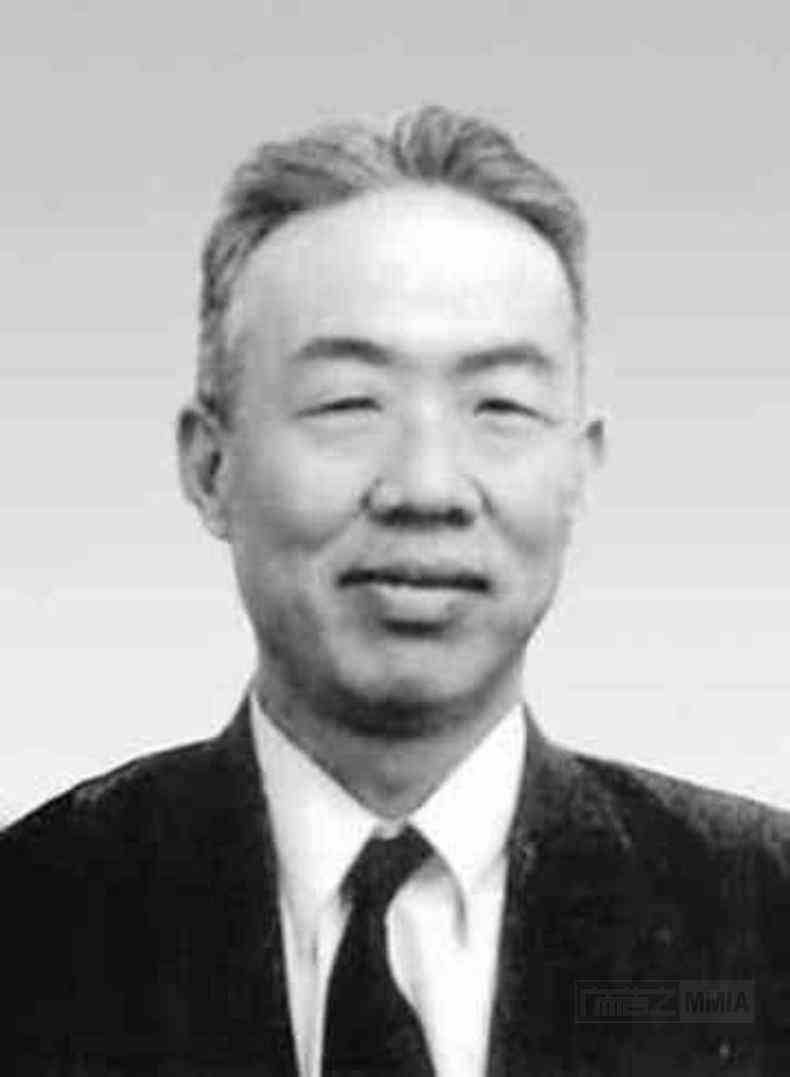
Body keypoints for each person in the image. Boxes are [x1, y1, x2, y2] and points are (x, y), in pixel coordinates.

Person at [3, 105, 789, 1076]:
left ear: (579, 471)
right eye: (348, 403)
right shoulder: (33, 915)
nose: (425, 487)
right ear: (210, 467)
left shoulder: (759, 918)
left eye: (499, 405)